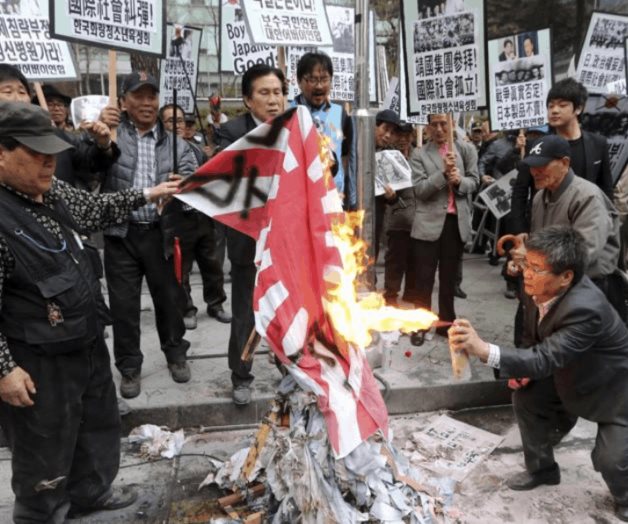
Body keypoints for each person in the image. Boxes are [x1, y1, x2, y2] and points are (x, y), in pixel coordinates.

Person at [0, 101, 179, 523]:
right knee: (44, 447)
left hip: (85, 337)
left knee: (97, 427)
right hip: (39, 360)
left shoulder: (49, 190)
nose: (49, 165)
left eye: (52, 155)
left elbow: (93, 208)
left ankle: (91, 494)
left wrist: (148, 193)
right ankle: (42, 514)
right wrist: (4, 368)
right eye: (37, 156)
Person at [449, 225, 628, 522]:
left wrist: (483, 350)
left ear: (566, 277)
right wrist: (523, 370)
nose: (526, 273)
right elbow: (534, 338)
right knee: (527, 399)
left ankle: (624, 496)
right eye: (526, 265)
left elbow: (545, 357)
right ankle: (543, 470)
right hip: (568, 371)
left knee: (611, 459)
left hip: (614, 388)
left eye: (536, 268)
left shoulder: (586, 308)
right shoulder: (539, 286)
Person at [98, 72, 196, 399]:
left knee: (169, 300)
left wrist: (181, 185)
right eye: (138, 96)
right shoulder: (111, 137)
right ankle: (129, 367)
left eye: (151, 96)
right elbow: (88, 165)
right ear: (123, 102)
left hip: (161, 234)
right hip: (120, 235)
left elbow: (194, 179)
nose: (146, 103)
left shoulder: (175, 142)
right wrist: (98, 138)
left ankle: (176, 353)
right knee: (124, 307)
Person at [214, 64, 286, 405]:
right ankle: (241, 374)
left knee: (288, 307)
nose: (274, 101)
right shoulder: (230, 132)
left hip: (287, 237)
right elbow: (229, 180)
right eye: (265, 93)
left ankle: (292, 370)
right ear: (247, 100)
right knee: (246, 310)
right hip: (246, 238)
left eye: (278, 93)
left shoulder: (297, 128)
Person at [160, 103, 230, 329]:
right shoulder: (158, 150)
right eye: (170, 121)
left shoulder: (196, 148)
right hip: (176, 217)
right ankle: (186, 308)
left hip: (202, 215)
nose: (177, 125)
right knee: (182, 267)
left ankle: (216, 303)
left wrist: (210, 161)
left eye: (179, 120)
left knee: (212, 264)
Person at [410, 113, 479, 335]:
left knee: (449, 278)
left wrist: (459, 181)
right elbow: (420, 190)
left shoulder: (467, 150)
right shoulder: (419, 154)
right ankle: (421, 322)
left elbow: (474, 181)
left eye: (443, 124)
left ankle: (446, 322)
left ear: (452, 125)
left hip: (454, 223)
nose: (439, 129)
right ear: (427, 127)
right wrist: (443, 173)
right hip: (428, 223)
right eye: (434, 125)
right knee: (423, 277)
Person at [0, 64, 118, 191]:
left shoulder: (53, 135)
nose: (18, 98)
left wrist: (103, 144)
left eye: (22, 92)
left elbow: (88, 162)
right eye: (8, 92)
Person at [292, 52, 354, 205]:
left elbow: (346, 156)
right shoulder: (289, 112)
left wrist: (350, 199)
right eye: (312, 79)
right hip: (297, 200)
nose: (319, 86)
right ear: (299, 81)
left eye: (324, 79)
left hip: (332, 200)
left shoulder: (340, 114)